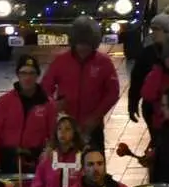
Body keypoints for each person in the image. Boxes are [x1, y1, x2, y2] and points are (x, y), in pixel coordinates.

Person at [41, 17, 119, 148]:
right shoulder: (60, 61)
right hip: (65, 126)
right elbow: (45, 88)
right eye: (80, 44)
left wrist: (96, 116)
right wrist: (54, 106)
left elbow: (112, 92)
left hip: (93, 128)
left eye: (87, 45)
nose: (83, 48)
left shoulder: (104, 63)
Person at [0, 55, 56, 172]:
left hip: (34, 160)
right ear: (18, 75)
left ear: (37, 75)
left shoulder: (48, 104)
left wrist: (48, 153)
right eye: (23, 73)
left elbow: (53, 135)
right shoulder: (5, 101)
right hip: (8, 158)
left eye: (31, 73)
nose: (27, 77)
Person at [27, 115, 83, 187]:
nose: (62, 132)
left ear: (74, 133)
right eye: (59, 129)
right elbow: (38, 186)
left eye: (67, 129)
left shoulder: (82, 158)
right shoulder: (47, 158)